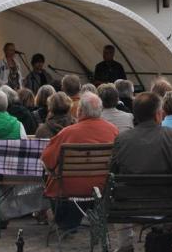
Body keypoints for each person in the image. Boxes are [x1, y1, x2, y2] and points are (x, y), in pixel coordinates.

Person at [110, 92, 172, 252]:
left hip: (130, 204)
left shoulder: (122, 139)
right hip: (167, 202)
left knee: (117, 192)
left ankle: (126, 247)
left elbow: (112, 170)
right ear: (158, 113)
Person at [41, 93, 119, 230]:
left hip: (68, 187)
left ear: (80, 111)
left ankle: (64, 222)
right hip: (102, 186)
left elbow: (47, 160)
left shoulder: (67, 133)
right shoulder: (113, 130)